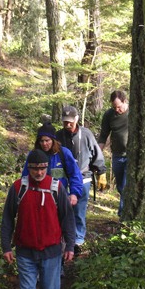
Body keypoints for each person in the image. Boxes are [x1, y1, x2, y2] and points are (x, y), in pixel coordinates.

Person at [1, 149, 76, 289]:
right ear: (29, 169)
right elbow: (8, 218)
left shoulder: (56, 187)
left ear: (47, 168)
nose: (39, 173)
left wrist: (69, 246)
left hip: (51, 251)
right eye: (35, 169)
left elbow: (68, 218)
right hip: (25, 251)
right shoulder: (19, 187)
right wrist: (6, 246)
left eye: (42, 169)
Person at [56, 105, 107, 252]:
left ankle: (78, 240)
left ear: (77, 119)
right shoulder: (58, 136)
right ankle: (62, 238)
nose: (68, 124)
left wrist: (101, 172)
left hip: (83, 176)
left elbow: (97, 154)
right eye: (65, 122)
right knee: (62, 209)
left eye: (70, 121)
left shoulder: (86, 134)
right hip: (63, 178)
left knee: (79, 210)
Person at [22, 122, 83, 207]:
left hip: (60, 198)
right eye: (41, 141)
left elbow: (75, 174)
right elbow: (25, 176)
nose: (44, 144)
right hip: (37, 198)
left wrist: (74, 194)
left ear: (53, 140)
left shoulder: (64, 153)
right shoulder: (33, 155)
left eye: (47, 140)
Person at [98, 90, 129, 217]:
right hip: (117, 155)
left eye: (119, 107)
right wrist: (98, 152)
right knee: (121, 186)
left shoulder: (134, 112)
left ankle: (123, 214)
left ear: (125, 101)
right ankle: (124, 211)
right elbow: (103, 135)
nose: (117, 110)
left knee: (127, 185)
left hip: (131, 155)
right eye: (114, 107)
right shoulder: (109, 115)